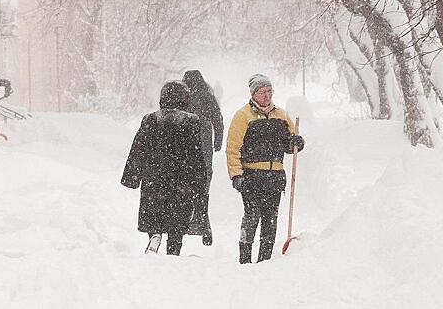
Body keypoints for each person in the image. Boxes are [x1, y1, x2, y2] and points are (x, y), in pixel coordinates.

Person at [121, 81, 207, 256]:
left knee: (153, 213)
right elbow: (196, 154)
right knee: (178, 219)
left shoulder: (150, 119)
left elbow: (138, 149)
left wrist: (132, 176)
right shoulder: (191, 121)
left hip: (153, 178)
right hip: (181, 180)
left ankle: (155, 235)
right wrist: (199, 181)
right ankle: (173, 250)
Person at [226, 74, 305, 264]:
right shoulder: (243, 116)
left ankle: (265, 260)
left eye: (270, 91)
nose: (267, 95)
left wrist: (296, 142)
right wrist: (236, 174)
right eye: (262, 92)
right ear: (253, 94)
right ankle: (245, 258)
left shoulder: (282, 115)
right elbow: (233, 147)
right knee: (252, 216)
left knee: (271, 218)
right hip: (251, 175)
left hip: (275, 176)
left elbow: (290, 145)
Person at [181, 70, 223, 246]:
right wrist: (218, 140)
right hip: (204, 142)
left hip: (186, 145)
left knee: (185, 180)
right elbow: (218, 119)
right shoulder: (208, 95)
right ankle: (203, 219)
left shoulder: (183, 96)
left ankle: (186, 217)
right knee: (204, 178)